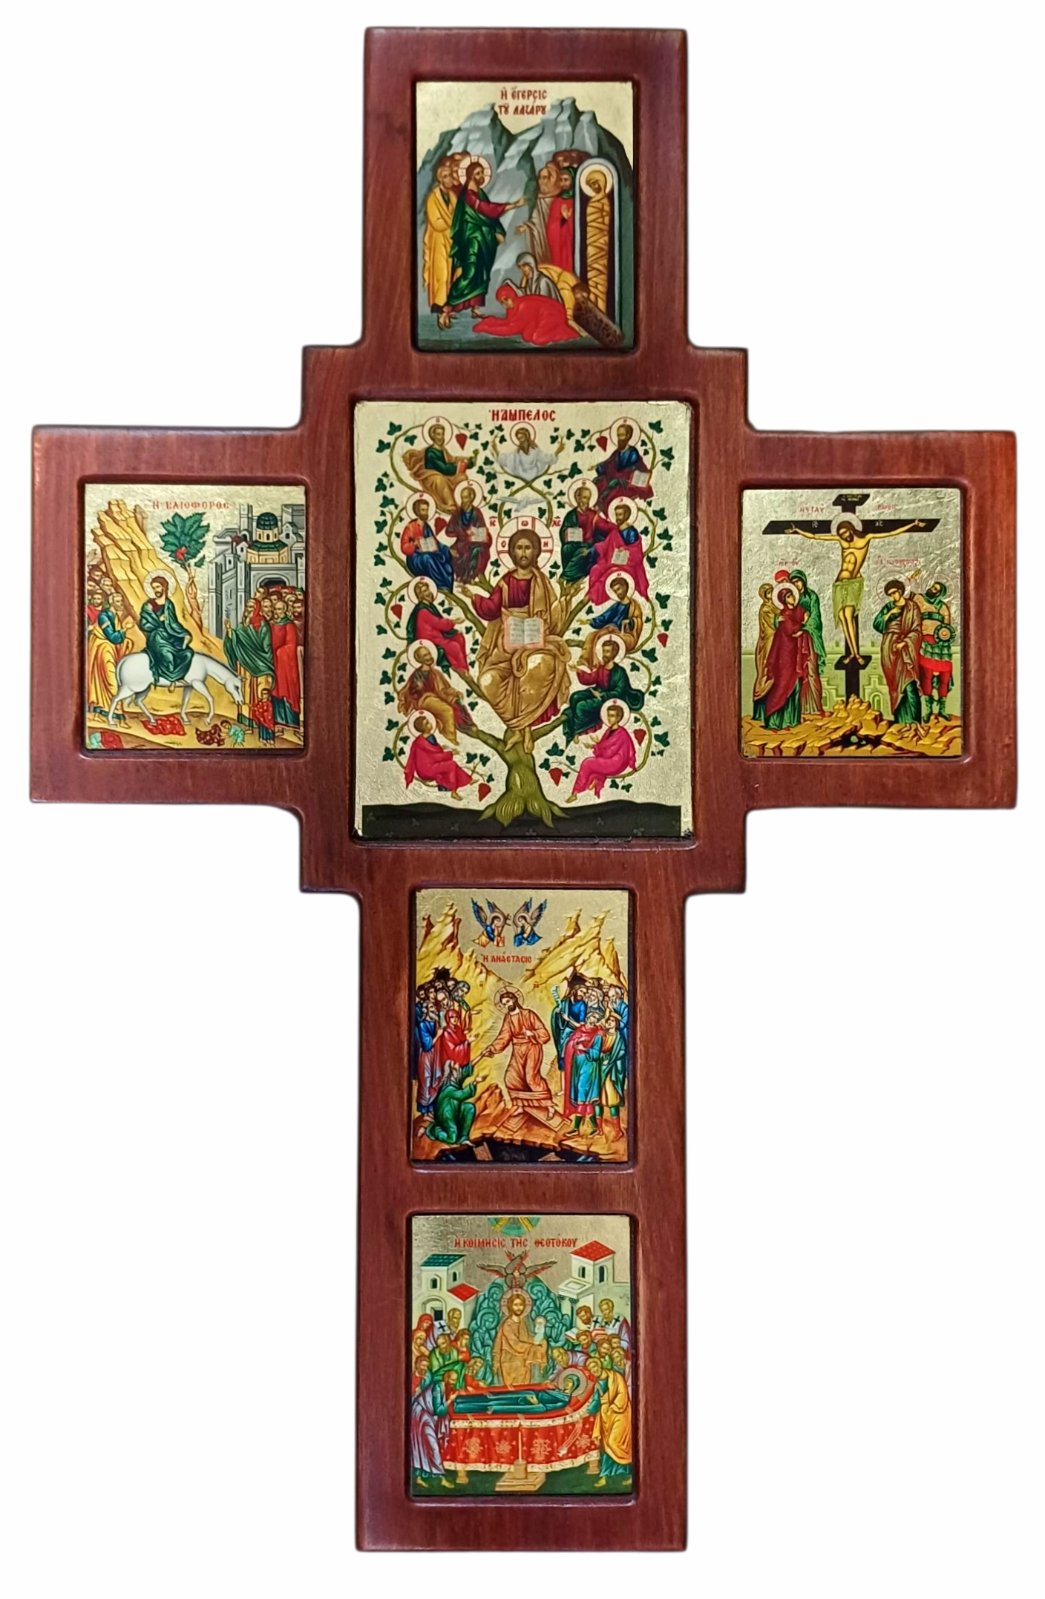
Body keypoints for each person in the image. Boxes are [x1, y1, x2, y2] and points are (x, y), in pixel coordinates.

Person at [472, 527, 572, 750]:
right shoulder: (506, 581)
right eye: (519, 548)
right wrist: (474, 598)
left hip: (538, 642)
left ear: (535, 552)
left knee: (537, 667)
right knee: (487, 681)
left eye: (528, 548)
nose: (524, 552)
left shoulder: (542, 582)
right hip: (505, 644)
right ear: (512, 552)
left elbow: (553, 617)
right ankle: (518, 727)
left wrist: (566, 601)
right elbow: (491, 608)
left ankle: (524, 730)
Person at [786, 514, 929, 666]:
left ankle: (856, 653)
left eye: (845, 532)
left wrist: (913, 523)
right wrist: (797, 530)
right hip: (839, 584)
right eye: (841, 534)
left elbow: (890, 532)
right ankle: (852, 653)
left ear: (851, 529)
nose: (844, 536)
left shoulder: (866, 538)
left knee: (849, 616)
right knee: (842, 617)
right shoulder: (841, 541)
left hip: (853, 583)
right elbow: (815, 536)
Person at [444, 159, 525, 327]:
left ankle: (475, 307)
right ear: (470, 175)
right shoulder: (468, 195)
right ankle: (448, 307)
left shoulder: (479, 193)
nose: (481, 176)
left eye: (482, 173)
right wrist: (512, 205)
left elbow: (489, 216)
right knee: (470, 272)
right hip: (471, 238)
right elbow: (486, 209)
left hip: (483, 239)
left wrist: (497, 231)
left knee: (481, 273)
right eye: (478, 173)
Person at [476, 990, 557, 1121]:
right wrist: (491, 1048)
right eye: (504, 1004)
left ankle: (549, 1106)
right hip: (518, 1049)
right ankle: (520, 1105)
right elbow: (504, 1036)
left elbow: (544, 1033)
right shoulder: (508, 1018)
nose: (506, 1005)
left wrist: (532, 1033)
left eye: (507, 1002)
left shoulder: (528, 1014)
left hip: (532, 1047)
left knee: (531, 1078)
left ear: (514, 999)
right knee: (511, 1077)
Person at [563, 637, 644, 742]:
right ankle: (576, 723)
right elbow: (591, 678)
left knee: (581, 706)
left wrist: (602, 695)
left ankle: (576, 731)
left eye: (607, 651)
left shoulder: (620, 672)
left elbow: (619, 692)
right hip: (597, 692)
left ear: (614, 654)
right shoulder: (601, 668)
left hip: (609, 699)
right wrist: (578, 671)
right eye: (603, 651)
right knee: (575, 697)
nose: (604, 654)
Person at [751, 587, 810, 730]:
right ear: (784, 600)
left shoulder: (794, 611)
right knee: (782, 685)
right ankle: (775, 721)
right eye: (788, 597)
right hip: (784, 655)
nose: (792, 598)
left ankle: (791, 720)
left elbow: (801, 619)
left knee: (795, 685)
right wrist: (802, 624)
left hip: (793, 656)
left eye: (792, 596)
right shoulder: (784, 615)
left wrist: (805, 619)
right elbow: (791, 630)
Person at [224, 596, 276, 744]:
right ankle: (247, 724)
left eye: (252, 607)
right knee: (245, 694)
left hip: (260, 666)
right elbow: (236, 642)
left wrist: (266, 664)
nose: (248, 609)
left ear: (257, 609)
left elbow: (266, 648)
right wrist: (230, 633)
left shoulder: (262, 625)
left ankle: (262, 727)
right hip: (244, 666)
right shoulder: (242, 626)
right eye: (247, 607)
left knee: (259, 695)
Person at [397, 643, 473, 744]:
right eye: (425, 655)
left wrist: (454, 693)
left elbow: (444, 689)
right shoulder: (417, 675)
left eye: (429, 654)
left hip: (436, 697)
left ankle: (466, 725)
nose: (429, 657)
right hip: (424, 700)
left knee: (455, 702)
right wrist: (418, 689)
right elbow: (412, 692)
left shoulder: (436, 673)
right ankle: (450, 738)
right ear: (419, 659)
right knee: (447, 710)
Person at [873, 579, 923, 724]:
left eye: (894, 593)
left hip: (906, 650)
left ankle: (914, 721)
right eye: (890, 594)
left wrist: (905, 642)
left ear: (900, 591)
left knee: (910, 685)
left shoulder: (912, 607)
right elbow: (877, 624)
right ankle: (900, 722)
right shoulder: (888, 607)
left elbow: (916, 630)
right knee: (895, 686)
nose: (893, 596)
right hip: (889, 648)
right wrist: (889, 614)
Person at [568, 703, 638, 801]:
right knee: (595, 767)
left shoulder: (621, 733)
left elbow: (610, 750)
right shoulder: (608, 731)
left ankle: (575, 792)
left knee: (587, 763)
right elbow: (604, 746)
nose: (609, 718)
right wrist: (594, 745)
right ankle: (596, 780)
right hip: (610, 760)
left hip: (617, 762)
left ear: (619, 717)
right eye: (608, 715)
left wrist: (596, 746)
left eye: (612, 716)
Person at [403, 420, 476, 513]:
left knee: (462, 477)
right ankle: (450, 504)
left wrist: (467, 461)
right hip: (431, 477)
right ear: (432, 436)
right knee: (440, 479)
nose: (441, 437)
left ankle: (461, 503)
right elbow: (443, 468)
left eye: (442, 434)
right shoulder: (430, 452)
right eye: (438, 434)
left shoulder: (443, 450)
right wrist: (458, 466)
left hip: (445, 475)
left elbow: (452, 459)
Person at [585, 1350, 633, 1487]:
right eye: (591, 1369)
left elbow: (622, 1393)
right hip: (606, 1417)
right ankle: (605, 1476)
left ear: (599, 1365)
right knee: (606, 1447)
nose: (594, 1370)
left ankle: (630, 1470)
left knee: (615, 1442)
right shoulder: (597, 1384)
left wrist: (614, 1406)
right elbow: (596, 1402)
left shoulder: (615, 1376)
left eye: (595, 1366)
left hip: (620, 1414)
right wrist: (587, 1412)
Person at [587, 499, 650, 602]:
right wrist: (595, 549)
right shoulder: (615, 531)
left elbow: (637, 552)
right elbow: (605, 545)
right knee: (596, 569)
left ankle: (594, 596)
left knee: (606, 576)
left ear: (626, 515)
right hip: (611, 562)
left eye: (620, 515)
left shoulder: (631, 532)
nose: (617, 518)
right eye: (616, 515)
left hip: (627, 565)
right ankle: (591, 596)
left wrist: (625, 550)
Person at [405, 578, 469, 674]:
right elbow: (438, 623)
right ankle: (461, 669)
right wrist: (454, 622)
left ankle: (463, 667)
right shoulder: (422, 611)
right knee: (454, 647)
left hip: (436, 635)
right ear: (420, 596)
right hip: (430, 639)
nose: (428, 593)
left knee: (459, 637)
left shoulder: (429, 606)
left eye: (428, 589)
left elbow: (439, 622)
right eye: (424, 591)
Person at [138, 574, 192, 685]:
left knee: (188, 653)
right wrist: (158, 620)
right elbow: (143, 625)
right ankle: (171, 678)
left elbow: (173, 623)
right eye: (153, 588)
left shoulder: (169, 604)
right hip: (156, 637)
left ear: (164, 587)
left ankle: (176, 676)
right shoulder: (148, 605)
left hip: (170, 636)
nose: (155, 590)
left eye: (157, 587)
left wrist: (184, 634)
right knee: (167, 655)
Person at [403, 713, 473, 798]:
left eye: (428, 721)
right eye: (427, 723)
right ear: (423, 728)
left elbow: (434, 750)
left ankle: (469, 780)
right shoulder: (425, 740)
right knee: (451, 765)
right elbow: (434, 756)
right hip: (427, 769)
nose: (430, 723)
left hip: (429, 766)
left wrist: (444, 749)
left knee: (451, 764)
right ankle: (453, 792)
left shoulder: (423, 739)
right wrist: (450, 753)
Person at [559, 483, 614, 588]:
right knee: (566, 549)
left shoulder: (593, 515)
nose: (584, 501)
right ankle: (570, 579)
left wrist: (617, 527)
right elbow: (563, 530)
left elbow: (605, 526)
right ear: (577, 498)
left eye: (587, 498)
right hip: (573, 544)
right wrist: (567, 533)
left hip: (587, 545)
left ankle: (566, 576)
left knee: (582, 552)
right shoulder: (571, 515)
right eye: (583, 497)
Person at [85, 581, 128, 714]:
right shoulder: (104, 616)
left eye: (121, 601)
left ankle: (106, 707)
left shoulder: (114, 615)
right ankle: (113, 709)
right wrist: (124, 630)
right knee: (110, 678)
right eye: (118, 601)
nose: (121, 604)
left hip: (109, 648)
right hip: (103, 648)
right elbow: (113, 637)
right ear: (111, 602)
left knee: (109, 677)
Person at [422, 156, 457, 320]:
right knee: (441, 274)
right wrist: (452, 223)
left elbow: (458, 215)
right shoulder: (433, 198)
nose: (449, 179)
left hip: (450, 240)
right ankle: (438, 305)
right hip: (438, 240)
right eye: (446, 176)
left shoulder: (452, 196)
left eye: (450, 176)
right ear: (441, 179)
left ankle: (448, 306)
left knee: (451, 274)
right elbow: (436, 222)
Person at [580, 574, 642, 665]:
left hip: (625, 634)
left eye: (618, 589)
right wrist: (590, 621)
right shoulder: (616, 605)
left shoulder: (634, 605)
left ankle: (597, 663)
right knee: (591, 636)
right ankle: (585, 660)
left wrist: (630, 621)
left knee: (602, 637)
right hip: (611, 630)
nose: (617, 593)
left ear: (625, 587)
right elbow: (605, 616)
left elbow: (638, 620)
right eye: (615, 591)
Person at [409, 1356, 452, 1488]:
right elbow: (438, 1408)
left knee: (425, 1445)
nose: (425, 1368)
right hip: (419, 1413)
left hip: (426, 1412)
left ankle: (423, 1476)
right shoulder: (414, 1378)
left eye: (427, 1366)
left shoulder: (428, 1377)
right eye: (422, 1365)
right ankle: (439, 1477)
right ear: (417, 1364)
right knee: (424, 1445)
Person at [265, 586, 302, 733]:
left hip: (285, 666)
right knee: (275, 693)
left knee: (287, 692)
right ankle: (279, 723)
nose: (277, 612)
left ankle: (292, 724)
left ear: (285, 610)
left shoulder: (289, 625)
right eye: (275, 609)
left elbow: (291, 645)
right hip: (274, 664)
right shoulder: (270, 624)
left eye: (280, 609)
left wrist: (279, 653)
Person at [915, 580, 955, 717]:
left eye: (936, 589)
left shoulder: (942, 607)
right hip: (924, 641)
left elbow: (947, 627)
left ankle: (942, 709)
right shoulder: (920, 599)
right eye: (932, 586)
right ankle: (928, 710)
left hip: (940, 645)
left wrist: (944, 635)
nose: (932, 589)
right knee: (926, 675)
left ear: (939, 593)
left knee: (945, 675)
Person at [491, 1290, 547, 1387]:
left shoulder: (522, 1322)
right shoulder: (507, 1325)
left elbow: (526, 1338)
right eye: (515, 1305)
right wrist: (533, 1347)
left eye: (521, 1305)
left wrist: (538, 1341)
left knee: (524, 1387)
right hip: (510, 1362)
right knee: (516, 1388)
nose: (518, 1308)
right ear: (510, 1306)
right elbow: (515, 1344)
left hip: (523, 1361)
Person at [594, 423, 653, 513]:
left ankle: (602, 505)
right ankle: (597, 503)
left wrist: (619, 476)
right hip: (616, 477)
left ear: (628, 436)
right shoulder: (617, 452)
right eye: (618, 435)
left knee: (613, 490)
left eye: (621, 435)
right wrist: (599, 466)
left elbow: (631, 469)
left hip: (626, 482)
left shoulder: (633, 452)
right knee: (599, 481)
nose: (619, 438)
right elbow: (609, 462)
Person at [400, 497, 455, 593]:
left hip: (428, 553)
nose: (426, 513)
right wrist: (414, 544)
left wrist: (447, 550)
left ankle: (446, 586)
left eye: (427, 510)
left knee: (446, 562)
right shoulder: (410, 527)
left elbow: (436, 543)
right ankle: (440, 586)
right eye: (423, 510)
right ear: (417, 511)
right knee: (428, 558)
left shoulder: (426, 526)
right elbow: (404, 547)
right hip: (415, 558)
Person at [444, 482, 491, 582]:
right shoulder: (457, 513)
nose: (463, 500)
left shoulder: (477, 512)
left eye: (465, 497)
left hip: (474, 542)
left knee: (477, 551)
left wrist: (472, 533)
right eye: (462, 497)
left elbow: (482, 530)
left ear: (471, 498)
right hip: (460, 542)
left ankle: (471, 576)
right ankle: (460, 576)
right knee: (454, 552)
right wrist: (460, 532)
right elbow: (448, 531)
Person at [497, 424, 563, 482]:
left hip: (534, 472)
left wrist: (557, 452)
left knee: (542, 461)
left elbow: (544, 457)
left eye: (522, 437)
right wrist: (496, 451)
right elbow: (508, 458)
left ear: (527, 437)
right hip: (521, 472)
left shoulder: (535, 449)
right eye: (518, 438)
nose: (520, 440)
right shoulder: (517, 452)